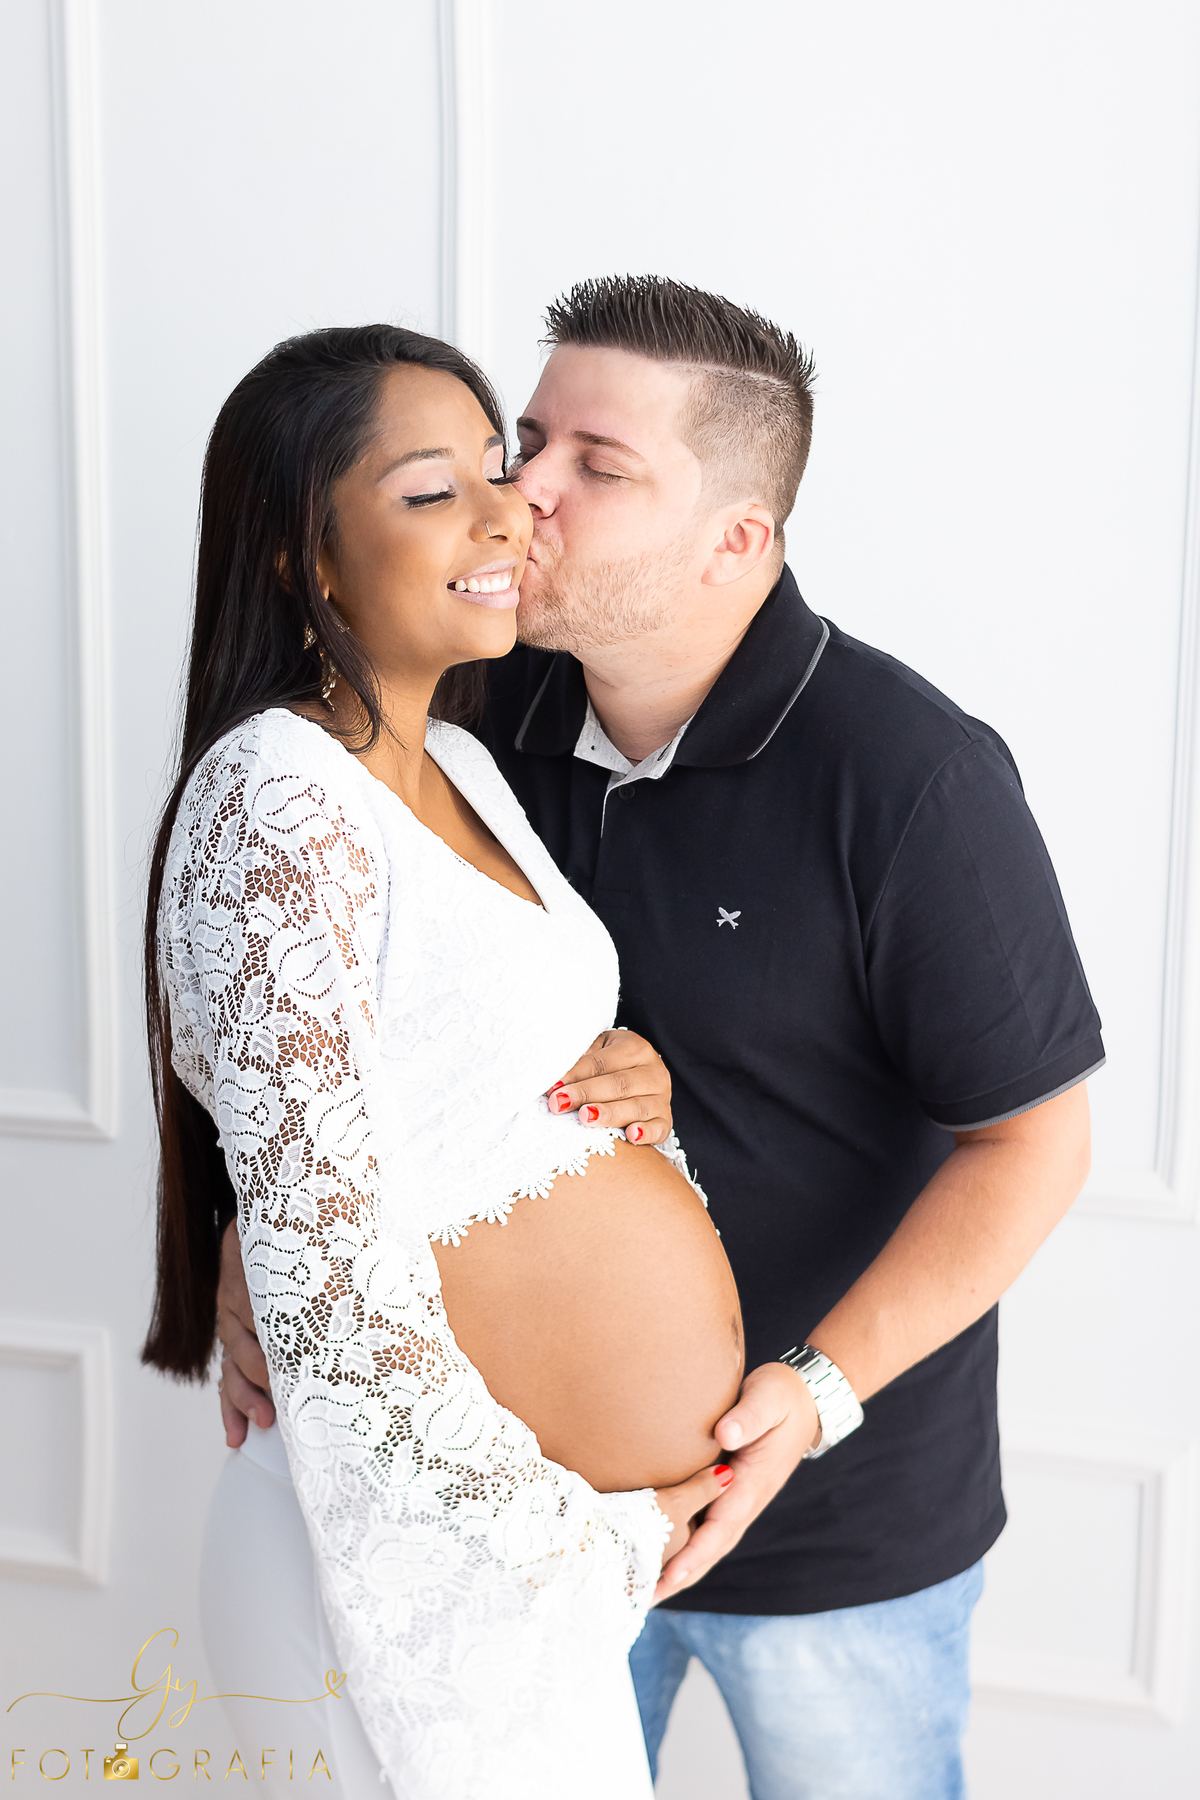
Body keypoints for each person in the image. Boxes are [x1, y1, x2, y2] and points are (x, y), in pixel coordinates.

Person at [217, 278, 1100, 1800]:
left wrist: (814, 1392)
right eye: (525, 441)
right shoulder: (468, 724)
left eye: (594, 465)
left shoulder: (909, 778)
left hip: (832, 1529)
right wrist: (250, 1241)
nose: (523, 494)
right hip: (514, 1525)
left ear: (736, 541)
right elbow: (319, 1023)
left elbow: (1034, 1138)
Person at [139, 323, 751, 1800]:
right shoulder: (278, 795)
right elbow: (337, 1313)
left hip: (509, 1576)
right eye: (433, 491)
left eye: (499, 469)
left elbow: (459, 1080)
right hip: (403, 1563)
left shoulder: (464, 764)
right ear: (303, 555)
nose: (505, 512)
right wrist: (590, 1541)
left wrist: (635, 1102)